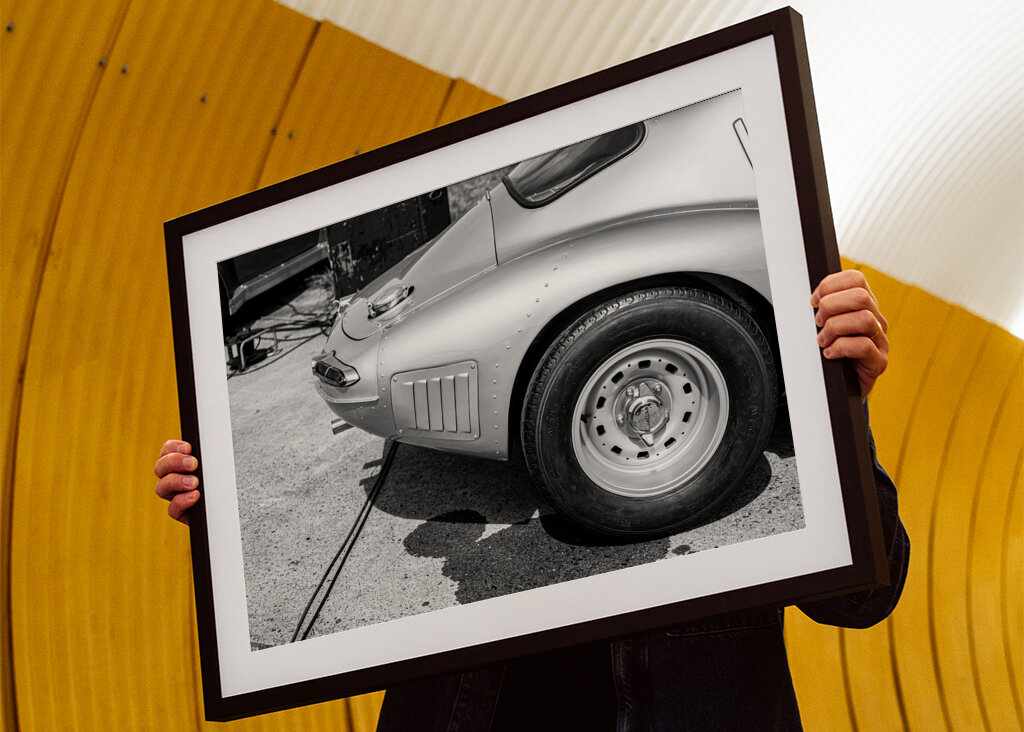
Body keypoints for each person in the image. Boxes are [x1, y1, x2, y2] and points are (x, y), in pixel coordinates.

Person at [155, 270, 908, 730]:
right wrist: (219, 512)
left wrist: (839, 407)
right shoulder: (439, 435)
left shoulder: (770, 363)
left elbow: (864, 597)